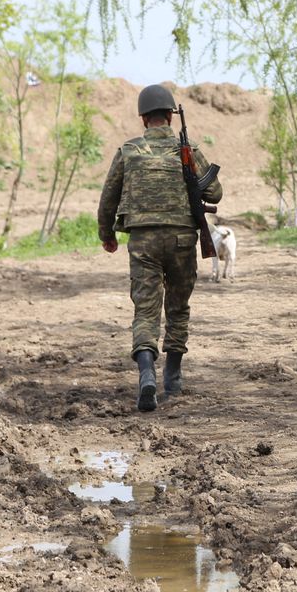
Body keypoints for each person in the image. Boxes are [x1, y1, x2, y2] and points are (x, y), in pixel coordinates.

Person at [97, 84, 221, 412]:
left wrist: (106, 233)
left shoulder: (128, 150)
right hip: (182, 239)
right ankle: (174, 376)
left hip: (142, 242)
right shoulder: (189, 149)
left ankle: (146, 374)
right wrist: (191, 181)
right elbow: (216, 193)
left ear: (143, 118)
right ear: (169, 115)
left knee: (145, 309)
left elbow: (108, 197)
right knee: (178, 307)